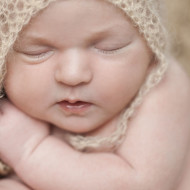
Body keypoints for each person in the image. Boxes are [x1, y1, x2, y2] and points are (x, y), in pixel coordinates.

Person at [0, 0, 190, 189]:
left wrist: (29, 150)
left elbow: (142, 184)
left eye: (110, 47)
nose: (72, 75)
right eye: (36, 52)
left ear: (151, 49)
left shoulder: (161, 88)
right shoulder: (10, 106)